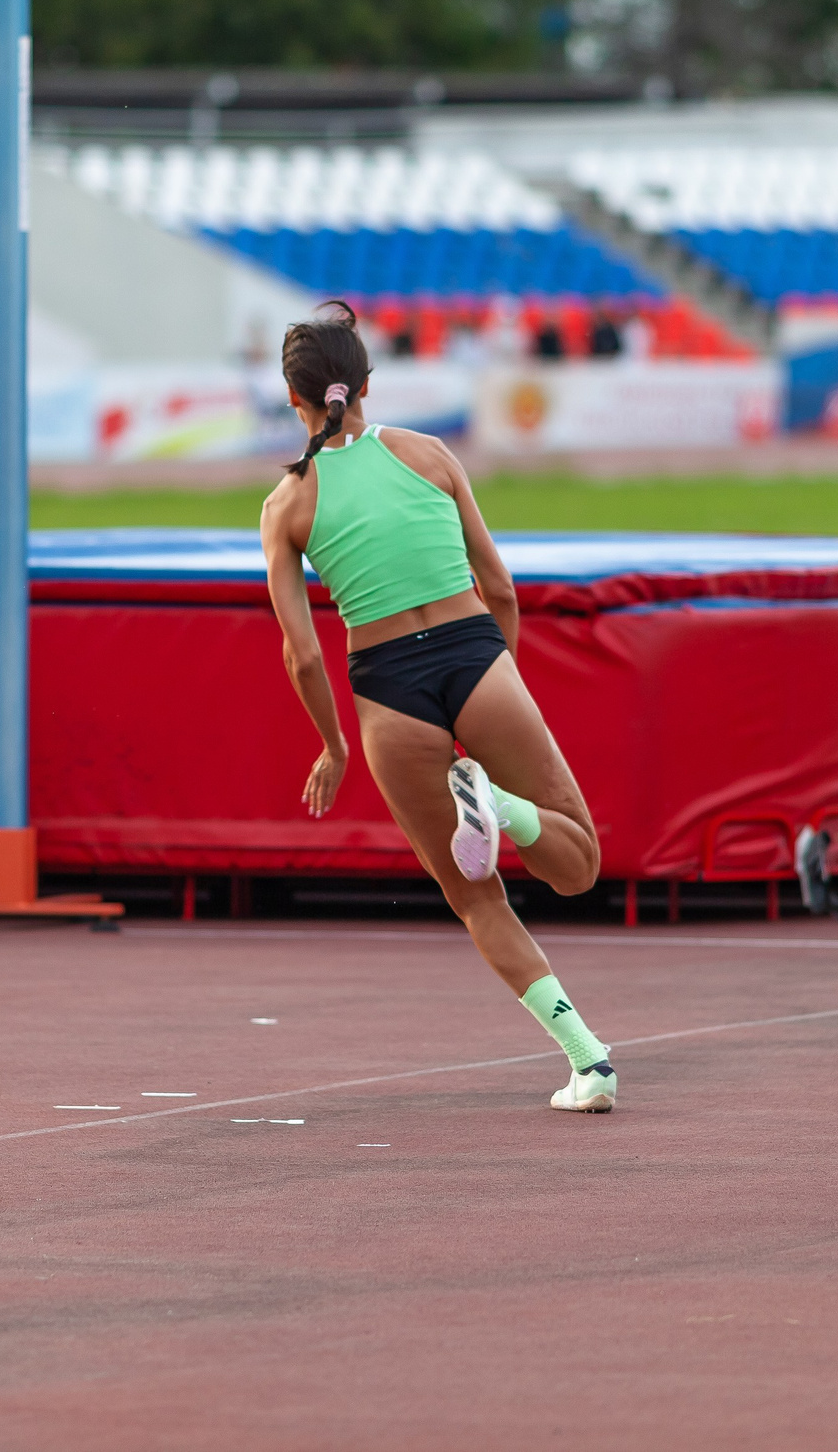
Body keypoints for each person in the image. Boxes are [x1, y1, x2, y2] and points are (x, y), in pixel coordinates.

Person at [259, 303, 619, 1113]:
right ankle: (505, 807)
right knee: (580, 863)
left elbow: (303, 652)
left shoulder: (287, 505)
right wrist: (501, 682)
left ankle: (589, 1060)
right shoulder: (429, 455)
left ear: (294, 397)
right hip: (473, 654)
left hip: (386, 690)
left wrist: (334, 747)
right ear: (368, 382)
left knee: (473, 896)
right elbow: (500, 588)